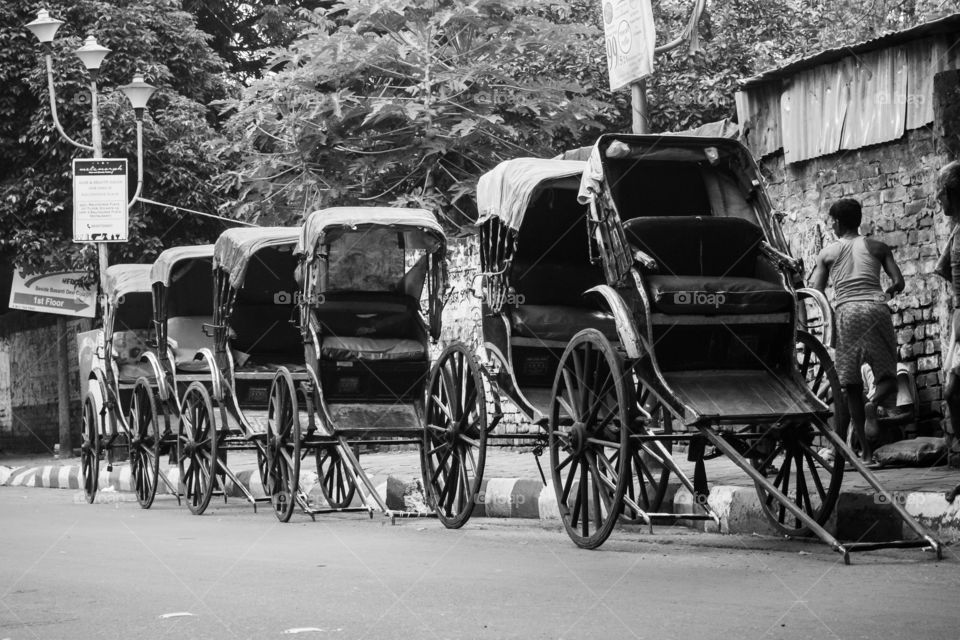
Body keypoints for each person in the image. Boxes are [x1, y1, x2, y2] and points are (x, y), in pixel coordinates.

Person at [812, 198, 905, 464]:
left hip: (847, 314)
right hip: (876, 310)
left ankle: (864, 454)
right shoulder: (878, 246)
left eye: (831, 221)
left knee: (851, 386)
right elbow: (899, 282)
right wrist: (887, 292)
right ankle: (874, 402)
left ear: (837, 223)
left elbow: (817, 292)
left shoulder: (828, 253)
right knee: (887, 375)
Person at [933, 160, 960, 501]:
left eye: (941, 195)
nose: (939, 203)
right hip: (959, 319)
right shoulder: (956, 230)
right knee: (953, 392)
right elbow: (945, 270)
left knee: (954, 391)